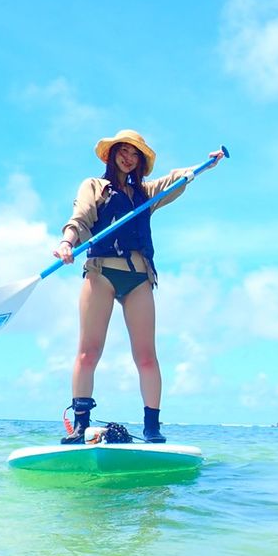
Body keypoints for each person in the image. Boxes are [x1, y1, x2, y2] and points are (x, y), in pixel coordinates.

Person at [53, 129, 224, 444]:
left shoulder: (145, 194)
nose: (129, 158)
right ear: (112, 153)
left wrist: (205, 166)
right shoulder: (94, 186)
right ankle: (80, 426)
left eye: (135, 154)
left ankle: (152, 428)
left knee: (146, 356)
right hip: (102, 273)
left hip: (139, 277)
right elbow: (80, 217)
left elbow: (176, 180)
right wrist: (67, 243)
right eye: (124, 151)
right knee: (88, 353)